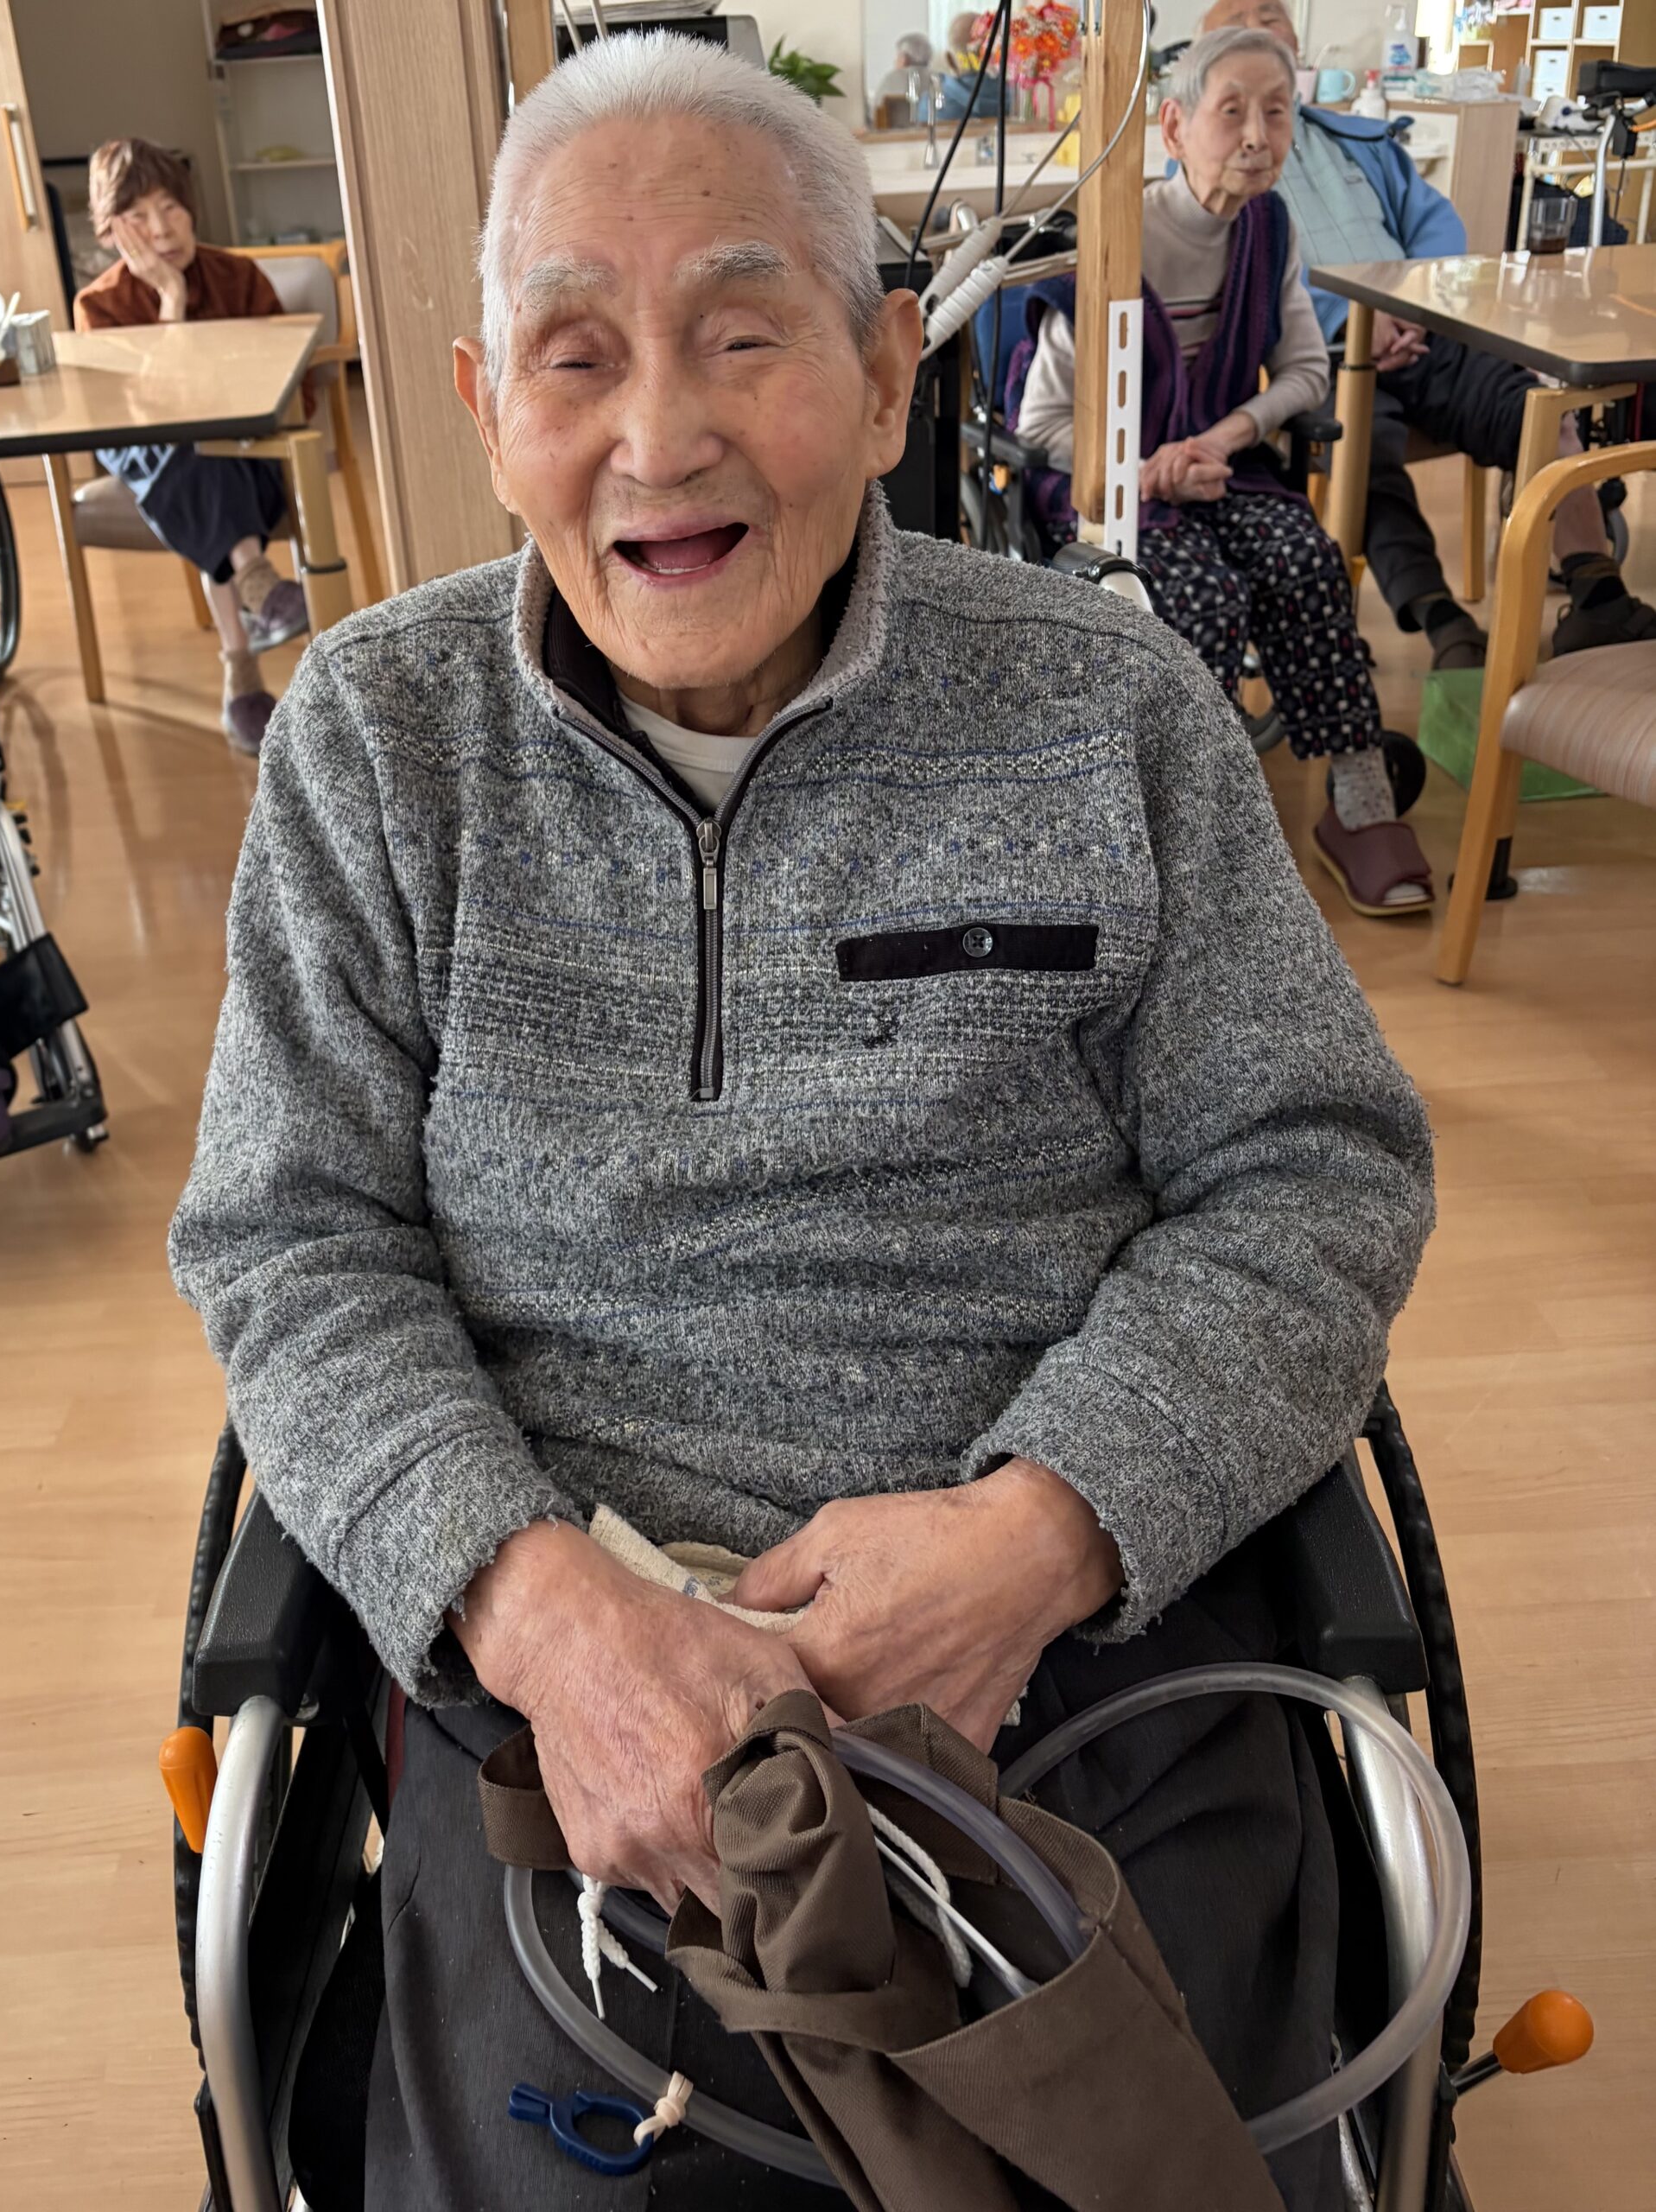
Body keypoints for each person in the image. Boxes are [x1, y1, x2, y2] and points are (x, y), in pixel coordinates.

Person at [169, 31, 1433, 2210]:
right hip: (562, 1702)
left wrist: (1044, 1530)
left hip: (1075, 1666)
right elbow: (286, 1236)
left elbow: (1312, 1170)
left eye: (740, 335)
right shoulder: (379, 741)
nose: (657, 436)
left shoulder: (1104, 708)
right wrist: (543, 1617)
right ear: (485, 409)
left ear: (879, 373)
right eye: (574, 355)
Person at [1016, 28, 1431, 916]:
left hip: (1222, 470)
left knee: (1305, 560)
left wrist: (1224, 435)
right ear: (1171, 127)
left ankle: (1359, 805)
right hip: (1108, 491)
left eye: (1276, 113)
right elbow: (1040, 427)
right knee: (1200, 597)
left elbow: (1305, 370)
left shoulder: (1267, 230)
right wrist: (1150, 471)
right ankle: (1194, 827)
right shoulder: (1112, 240)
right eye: (1230, 111)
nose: (1255, 136)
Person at [1202, 0, 1655, 667]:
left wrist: (1413, 304)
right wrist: (1348, 318)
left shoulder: (1358, 141)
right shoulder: (1211, 163)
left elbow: (1436, 227)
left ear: (1295, 51)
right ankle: (1442, 622)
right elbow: (1240, 282)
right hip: (1319, 355)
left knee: (1534, 408)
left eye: (1270, 17)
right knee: (1361, 455)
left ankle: (1595, 595)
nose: (1258, 25)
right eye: (1238, 22)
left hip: (1418, 329)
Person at [73, 139, 309, 753]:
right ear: (110, 231)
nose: (161, 230)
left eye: (171, 208)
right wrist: (171, 302)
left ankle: (241, 675)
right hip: (150, 454)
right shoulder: (99, 305)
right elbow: (147, 416)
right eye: (139, 217)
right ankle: (257, 583)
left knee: (206, 448)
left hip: (241, 446)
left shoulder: (237, 277)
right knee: (185, 445)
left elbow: (290, 386)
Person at [873, 28, 936, 114]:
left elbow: (876, 112)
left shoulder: (891, 79)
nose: (895, 61)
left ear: (904, 59)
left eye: (898, 56)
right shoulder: (941, 79)